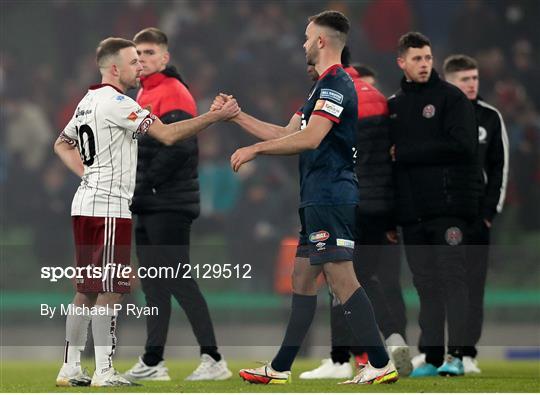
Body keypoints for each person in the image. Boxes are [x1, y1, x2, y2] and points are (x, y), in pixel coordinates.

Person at [214, 11, 398, 385]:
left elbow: (310, 139)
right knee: (300, 277)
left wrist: (255, 150)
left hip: (331, 195)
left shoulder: (335, 85)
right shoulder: (319, 88)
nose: (301, 43)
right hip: (316, 197)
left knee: (342, 279)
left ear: (320, 41)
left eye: (306, 36)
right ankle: (280, 368)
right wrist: (236, 117)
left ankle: (379, 361)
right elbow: (286, 132)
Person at [53, 37, 238, 387]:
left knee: (86, 290)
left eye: (142, 59)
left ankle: (70, 367)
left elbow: (61, 143)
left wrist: (87, 175)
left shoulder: (87, 101)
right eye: (132, 61)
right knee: (111, 290)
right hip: (109, 208)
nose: (139, 67)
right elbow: (168, 135)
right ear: (114, 69)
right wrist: (214, 116)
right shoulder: (119, 102)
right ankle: (104, 371)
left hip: (86, 204)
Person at [123, 27, 231, 382]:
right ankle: (153, 362)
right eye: (137, 55)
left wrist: (146, 184)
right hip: (149, 202)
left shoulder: (173, 91)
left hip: (167, 201)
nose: (142, 60)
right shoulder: (143, 92)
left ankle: (213, 358)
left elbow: (180, 147)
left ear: (165, 58)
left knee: (178, 279)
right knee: (154, 284)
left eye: (150, 53)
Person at [300, 50, 411, 380]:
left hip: (345, 200)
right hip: (381, 206)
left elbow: (313, 141)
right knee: (362, 277)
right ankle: (392, 338)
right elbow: (391, 162)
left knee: (340, 278)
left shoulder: (334, 92)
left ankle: (342, 359)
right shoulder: (378, 98)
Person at [387, 32, 481, 378]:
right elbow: (390, 164)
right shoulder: (394, 106)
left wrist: (408, 154)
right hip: (413, 214)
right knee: (424, 283)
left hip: (448, 209)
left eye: (427, 58)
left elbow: (464, 147)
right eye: (416, 59)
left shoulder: (451, 99)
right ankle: (431, 355)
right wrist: (393, 217)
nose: (424, 64)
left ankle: (457, 356)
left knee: (452, 278)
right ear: (402, 63)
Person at [443, 54, 509, 374]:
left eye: (474, 78)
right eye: (464, 79)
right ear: (450, 82)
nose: (472, 84)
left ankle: (467, 353)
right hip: (443, 216)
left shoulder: (490, 117)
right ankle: (443, 352)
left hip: (476, 218)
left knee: (473, 284)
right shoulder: (438, 116)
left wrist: (489, 214)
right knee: (443, 284)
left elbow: (500, 167)